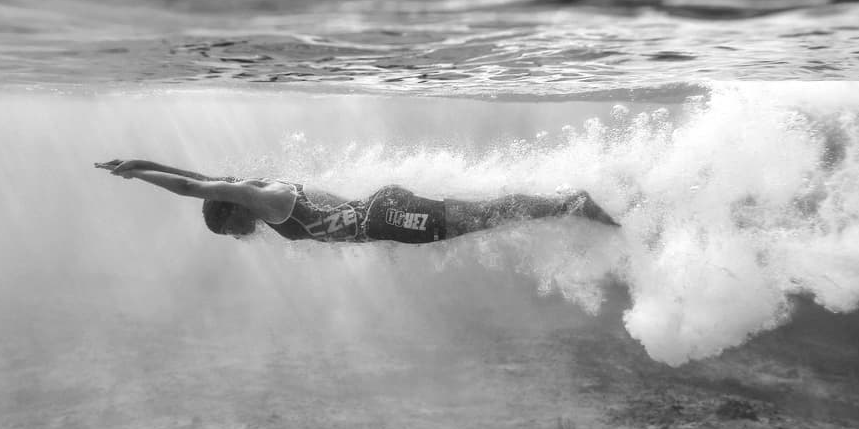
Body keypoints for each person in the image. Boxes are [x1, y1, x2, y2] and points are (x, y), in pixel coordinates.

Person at [95, 159, 619, 243]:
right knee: (484, 216)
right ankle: (565, 203)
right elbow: (199, 178)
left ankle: (569, 202)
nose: (240, 238)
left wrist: (140, 176)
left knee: (484, 217)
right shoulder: (258, 196)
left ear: (233, 210)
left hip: (383, 216)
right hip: (383, 215)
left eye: (232, 230)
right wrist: (137, 162)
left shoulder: (264, 200)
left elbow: (192, 187)